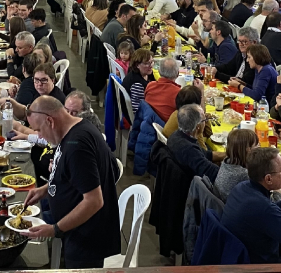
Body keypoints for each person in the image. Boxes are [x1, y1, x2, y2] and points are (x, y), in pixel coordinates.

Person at [20, 96, 121, 267]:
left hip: (86, 239)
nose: (39, 135)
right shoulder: (73, 128)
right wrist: (45, 189)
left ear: (50, 121)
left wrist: (55, 229)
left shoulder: (77, 146)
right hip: (75, 232)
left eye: (38, 129)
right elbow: (71, 175)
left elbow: (94, 201)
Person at [221, 146, 281, 263]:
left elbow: (275, 213)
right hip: (259, 266)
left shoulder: (242, 187)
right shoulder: (263, 208)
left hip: (237, 256)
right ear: (268, 179)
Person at [166, 103, 220, 181]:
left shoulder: (176, 135)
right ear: (198, 127)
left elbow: (206, 154)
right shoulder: (189, 149)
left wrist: (228, 154)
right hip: (192, 186)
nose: (206, 122)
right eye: (205, 120)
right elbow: (213, 173)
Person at [214, 128, 258, 195]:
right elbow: (259, 196)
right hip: (230, 203)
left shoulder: (227, 161)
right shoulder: (244, 174)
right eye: (256, 145)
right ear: (248, 150)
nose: (258, 147)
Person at [144, 57, 182, 121]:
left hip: (148, 123)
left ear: (158, 71)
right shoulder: (179, 93)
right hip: (166, 128)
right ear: (177, 74)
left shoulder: (150, 85)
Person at [121, 48, 154, 117]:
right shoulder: (137, 84)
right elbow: (137, 109)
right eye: (147, 63)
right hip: (138, 117)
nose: (151, 66)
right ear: (137, 65)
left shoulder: (144, 73)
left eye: (152, 62)